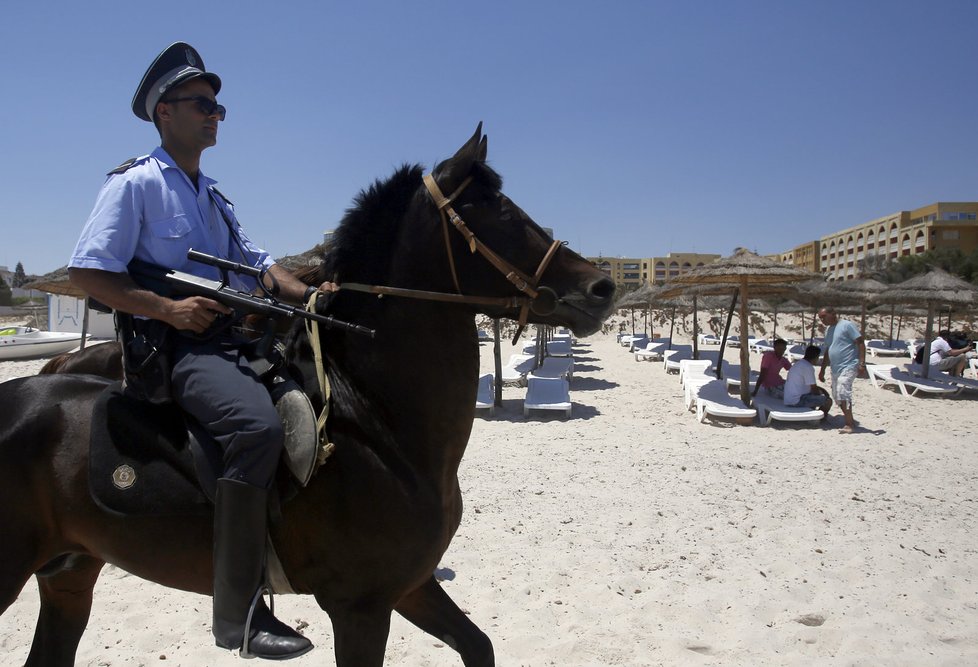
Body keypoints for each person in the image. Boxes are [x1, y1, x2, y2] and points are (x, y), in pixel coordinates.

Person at [68, 42, 328, 660]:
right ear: (165, 112)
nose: (215, 115)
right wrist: (167, 308)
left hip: (236, 338)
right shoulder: (135, 185)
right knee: (255, 427)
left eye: (218, 107)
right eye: (202, 104)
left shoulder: (213, 197)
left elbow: (259, 268)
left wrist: (315, 293)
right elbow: (88, 273)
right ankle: (238, 616)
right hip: (179, 348)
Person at [817, 307, 866, 434]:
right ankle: (850, 419)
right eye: (820, 318)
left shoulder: (847, 325)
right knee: (837, 395)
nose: (822, 320)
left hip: (849, 365)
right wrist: (822, 369)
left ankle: (849, 424)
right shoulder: (829, 330)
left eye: (823, 316)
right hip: (835, 367)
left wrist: (862, 363)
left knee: (843, 391)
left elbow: (860, 342)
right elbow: (829, 349)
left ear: (833, 314)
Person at [784, 345, 833, 418]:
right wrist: (823, 394)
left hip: (788, 399)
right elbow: (814, 388)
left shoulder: (798, 364)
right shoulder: (808, 367)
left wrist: (821, 390)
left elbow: (808, 385)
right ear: (816, 357)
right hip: (796, 401)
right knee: (828, 401)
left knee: (815, 395)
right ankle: (819, 419)